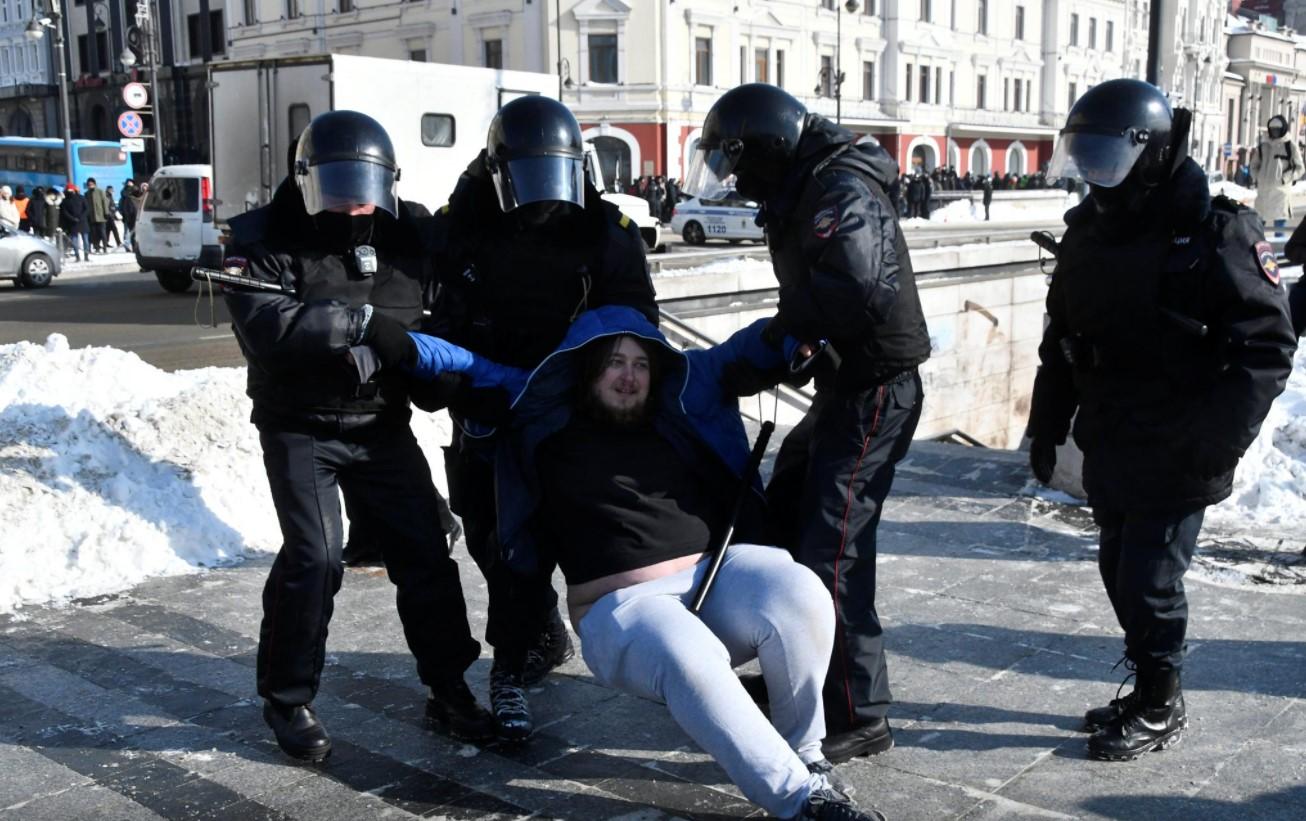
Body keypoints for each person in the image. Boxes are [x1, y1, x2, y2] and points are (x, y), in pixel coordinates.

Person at [406, 306, 887, 821]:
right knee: (686, 650)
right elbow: (460, 363)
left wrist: (810, 321)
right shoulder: (540, 416)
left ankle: (806, 754)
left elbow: (750, 346)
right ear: (587, 368)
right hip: (624, 609)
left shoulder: (681, 402)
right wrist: (381, 333)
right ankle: (801, 801)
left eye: (640, 363)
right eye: (614, 362)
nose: (629, 375)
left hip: (718, 579)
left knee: (799, 588)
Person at [1030, 79, 1295, 761]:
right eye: (1083, 156)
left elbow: (1266, 345)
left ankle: (1160, 701)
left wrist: (1214, 443)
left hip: (1181, 440)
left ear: (1148, 155)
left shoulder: (1213, 232)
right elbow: (1061, 336)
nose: (1093, 173)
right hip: (1114, 435)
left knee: (1149, 578)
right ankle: (1150, 682)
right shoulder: (1090, 231)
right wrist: (1047, 422)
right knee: (1119, 565)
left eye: (1106, 157)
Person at [222, 110, 495, 762]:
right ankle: (287, 698)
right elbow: (269, 325)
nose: (354, 206)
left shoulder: (409, 233)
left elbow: (450, 281)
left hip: (379, 422)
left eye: (365, 188)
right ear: (307, 180)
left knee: (426, 548)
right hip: (301, 426)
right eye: (339, 188)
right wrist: (362, 324)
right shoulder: (261, 236)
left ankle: (449, 685)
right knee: (315, 556)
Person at [684, 84, 932, 764]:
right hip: (846, 378)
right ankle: (806, 670)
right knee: (789, 510)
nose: (734, 182)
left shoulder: (837, 188)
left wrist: (795, 332)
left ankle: (856, 710)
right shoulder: (805, 183)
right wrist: (797, 340)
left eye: (736, 166)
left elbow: (856, 287)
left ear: (762, 151)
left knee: (833, 548)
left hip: (874, 387)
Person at [425, 94, 658, 741]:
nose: (543, 200)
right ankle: (537, 633)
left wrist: (606, 387)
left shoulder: (604, 230)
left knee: (552, 539)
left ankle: (516, 654)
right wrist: (460, 386)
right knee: (486, 531)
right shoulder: (464, 225)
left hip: (570, 405)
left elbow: (638, 322)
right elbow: (441, 319)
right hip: (489, 405)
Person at [1249, 115, 1301, 237]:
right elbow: (1253, 165)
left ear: (1283, 129)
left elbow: (1300, 168)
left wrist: (1285, 178)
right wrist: (1258, 177)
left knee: (1279, 227)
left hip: (1281, 194)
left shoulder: (1290, 146)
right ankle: (1258, 252)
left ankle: (1278, 252)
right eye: (1272, 129)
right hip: (1263, 194)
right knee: (1258, 228)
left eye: (1277, 129)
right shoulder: (1263, 146)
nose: (1275, 132)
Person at [59, 182, 89, 261]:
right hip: (74, 223)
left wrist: (79, 217)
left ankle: (85, 255)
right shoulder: (65, 201)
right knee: (76, 240)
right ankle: (78, 256)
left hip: (80, 222)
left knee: (84, 240)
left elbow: (86, 209)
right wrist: (73, 218)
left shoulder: (81, 198)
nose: (70, 192)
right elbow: (64, 212)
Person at [86, 177, 110, 253]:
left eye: (92, 184)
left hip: (101, 216)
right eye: (89, 184)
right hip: (92, 217)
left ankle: (105, 247)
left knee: (102, 233)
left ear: (95, 184)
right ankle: (97, 247)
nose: (90, 185)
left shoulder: (100, 191)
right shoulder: (87, 193)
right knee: (94, 233)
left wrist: (106, 212)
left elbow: (104, 202)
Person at [119, 181, 139, 251]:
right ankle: (128, 245)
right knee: (129, 232)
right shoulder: (126, 197)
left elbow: (136, 190)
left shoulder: (134, 196)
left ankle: (132, 246)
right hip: (129, 216)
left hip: (133, 216)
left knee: (132, 232)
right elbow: (121, 207)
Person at [104, 185, 123, 249]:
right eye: (111, 190)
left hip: (110, 215)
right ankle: (118, 242)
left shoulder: (109, 196)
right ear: (108, 190)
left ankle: (106, 242)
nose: (112, 191)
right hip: (109, 216)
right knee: (114, 229)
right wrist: (111, 211)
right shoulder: (107, 196)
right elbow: (107, 206)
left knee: (108, 230)